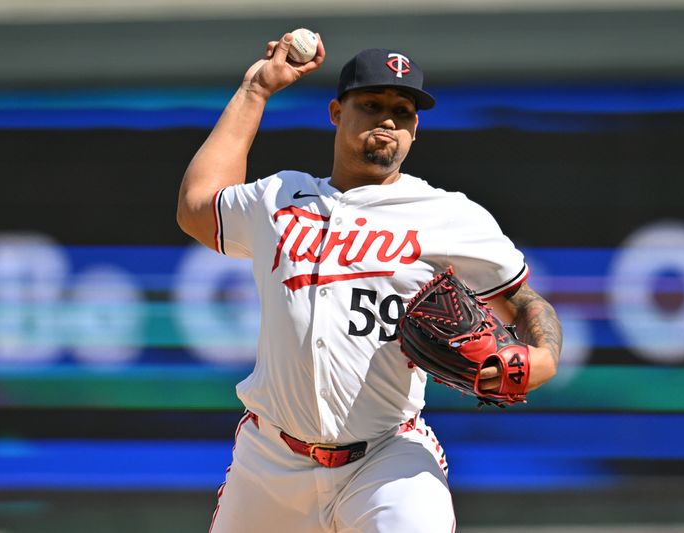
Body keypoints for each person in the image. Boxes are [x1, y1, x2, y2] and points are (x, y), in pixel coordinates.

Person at [177, 32, 562, 533]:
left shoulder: (447, 214)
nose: (387, 120)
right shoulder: (281, 197)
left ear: (416, 129)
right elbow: (196, 208)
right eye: (372, 104)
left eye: (403, 111)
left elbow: (522, 298)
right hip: (271, 460)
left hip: (387, 456)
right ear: (336, 112)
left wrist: (544, 355)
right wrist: (256, 91)